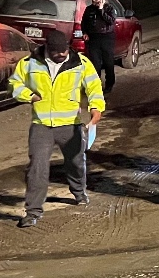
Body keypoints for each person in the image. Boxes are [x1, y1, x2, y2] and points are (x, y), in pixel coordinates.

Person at [8, 30, 104, 228]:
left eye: (65, 50)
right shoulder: (29, 63)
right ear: (47, 48)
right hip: (42, 126)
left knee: (76, 163)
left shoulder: (80, 63)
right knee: (37, 168)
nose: (62, 55)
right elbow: (14, 84)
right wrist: (29, 95)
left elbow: (94, 87)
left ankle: (79, 192)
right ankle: (33, 212)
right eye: (57, 52)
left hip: (70, 125)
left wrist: (96, 108)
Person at [80, 0, 116, 95]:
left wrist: (101, 10)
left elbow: (111, 21)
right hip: (93, 38)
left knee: (108, 63)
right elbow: (84, 22)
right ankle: (96, 86)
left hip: (107, 38)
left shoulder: (109, 8)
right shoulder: (89, 9)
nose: (94, 0)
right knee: (95, 64)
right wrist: (85, 32)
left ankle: (109, 84)